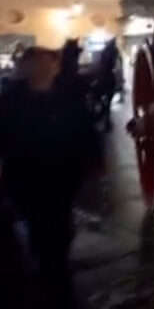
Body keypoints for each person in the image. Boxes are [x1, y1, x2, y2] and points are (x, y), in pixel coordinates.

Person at [0, 47, 103, 308]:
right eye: (38, 63)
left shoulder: (68, 95)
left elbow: (85, 126)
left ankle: (54, 264)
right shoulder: (11, 99)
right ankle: (51, 272)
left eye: (48, 63)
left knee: (59, 220)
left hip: (62, 172)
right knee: (39, 223)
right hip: (27, 175)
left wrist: (95, 157)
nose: (45, 68)